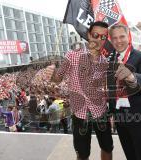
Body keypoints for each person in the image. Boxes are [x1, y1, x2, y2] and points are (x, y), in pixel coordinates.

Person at [47, 21, 113, 160]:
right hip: (79, 113)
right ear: (89, 35)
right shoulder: (72, 54)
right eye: (96, 35)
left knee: (107, 147)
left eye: (103, 37)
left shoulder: (105, 61)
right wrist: (52, 72)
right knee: (82, 154)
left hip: (100, 111)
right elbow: (57, 79)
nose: (99, 39)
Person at [107, 24, 141, 160]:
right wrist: (112, 113)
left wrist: (131, 76)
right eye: (115, 38)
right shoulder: (111, 60)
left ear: (128, 37)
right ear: (111, 40)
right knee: (130, 155)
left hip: (139, 116)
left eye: (122, 36)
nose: (118, 41)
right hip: (120, 117)